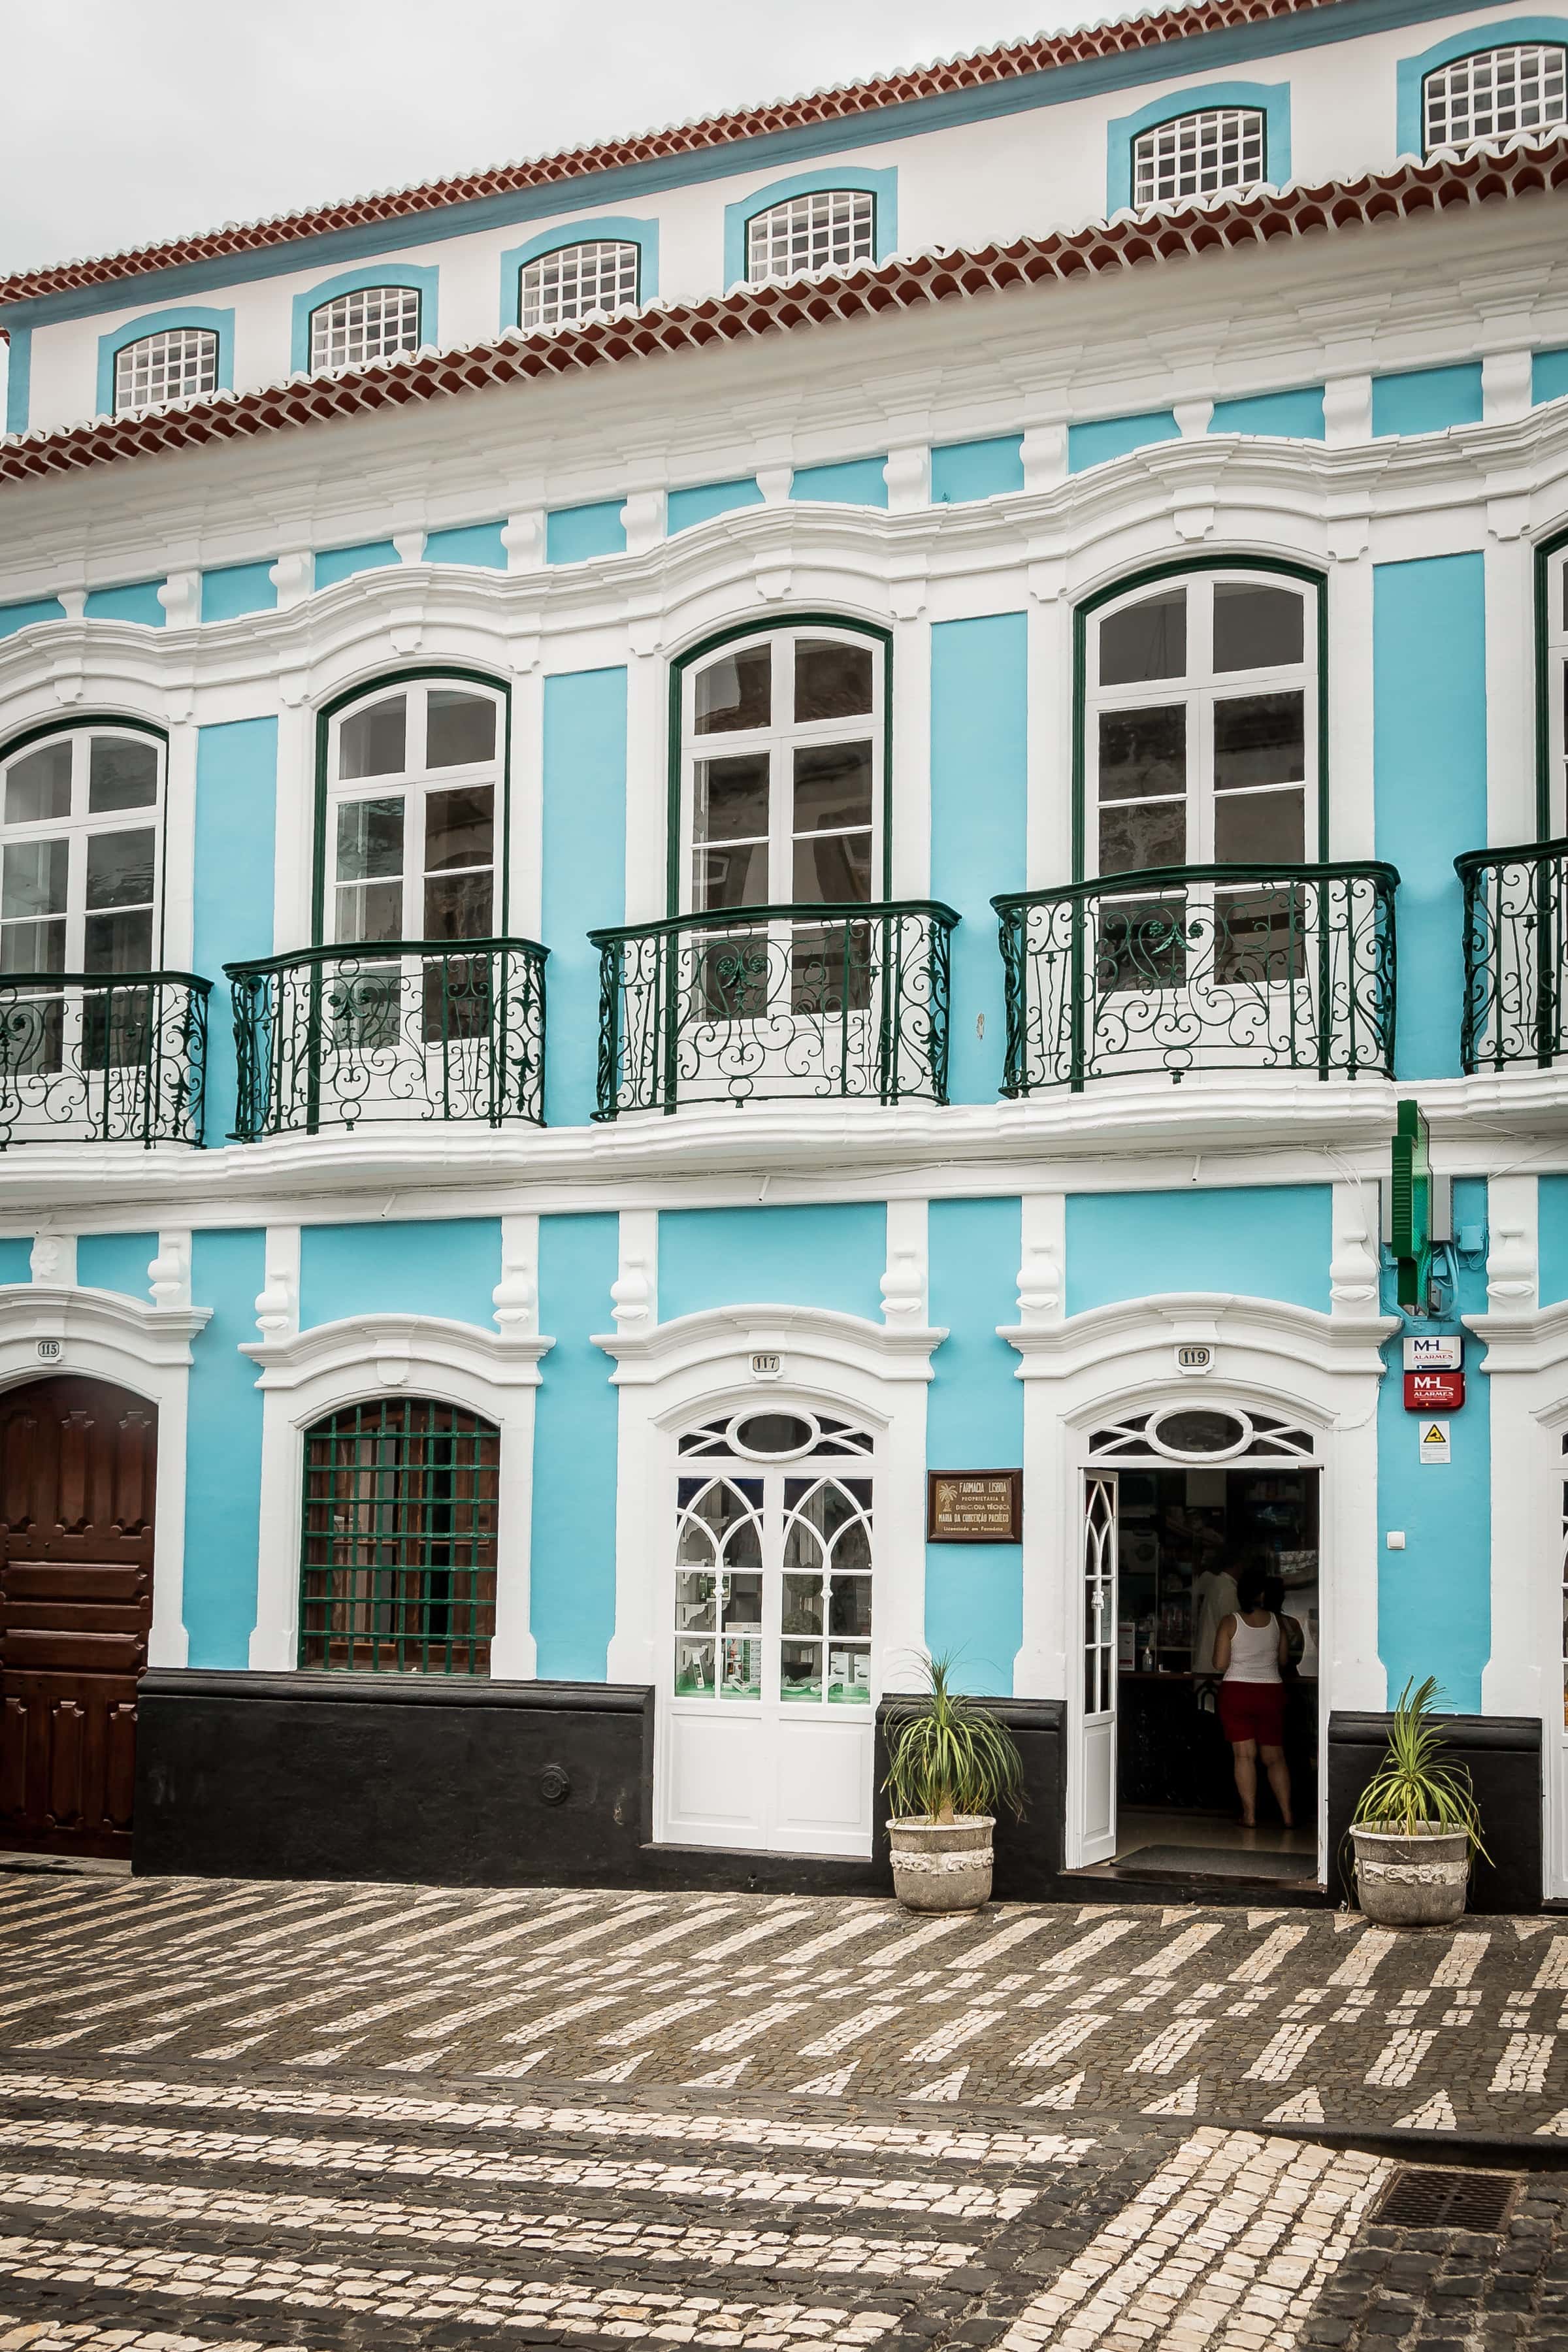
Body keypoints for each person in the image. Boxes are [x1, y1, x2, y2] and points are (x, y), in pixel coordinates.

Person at [1213, 1565, 1294, 1829]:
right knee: (1275, 1758)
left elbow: (1220, 1663)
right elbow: (1283, 1661)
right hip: (1271, 1691)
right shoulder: (1277, 1622)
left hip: (1237, 1692)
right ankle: (1288, 1815)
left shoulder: (1230, 1622)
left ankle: (1249, 1815)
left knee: (1244, 1756)